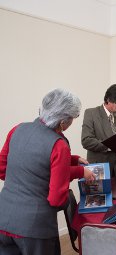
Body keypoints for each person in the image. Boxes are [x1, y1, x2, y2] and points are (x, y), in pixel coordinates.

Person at [0, 88, 95, 255]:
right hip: (34, 228)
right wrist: (80, 172)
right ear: (63, 122)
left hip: (3, 219)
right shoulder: (58, 145)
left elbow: (3, 170)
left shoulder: (17, 129)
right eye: (72, 119)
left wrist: (72, 160)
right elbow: (56, 199)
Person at [81, 84, 116, 191]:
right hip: (99, 170)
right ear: (108, 100)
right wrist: (110, 146)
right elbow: (86, 140)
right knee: (101, 204)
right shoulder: (91, 113)